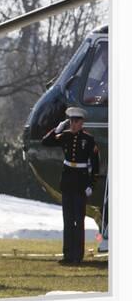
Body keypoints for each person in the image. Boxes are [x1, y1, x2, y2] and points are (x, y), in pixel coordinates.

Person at [42, 107, 100, 265]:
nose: (73, 124)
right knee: (67, 220)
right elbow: (45, 142)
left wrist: (91, 185)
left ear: (82, 123)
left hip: (81, 183)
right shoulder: (65, 136)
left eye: (76, 121)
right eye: (71, 121)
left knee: (78, 220)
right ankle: (68, 255)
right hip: (67, 182)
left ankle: (77, 256)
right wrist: (57, 130)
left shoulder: (88, 140)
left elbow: (95, 166)